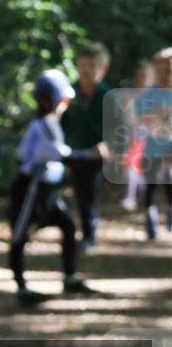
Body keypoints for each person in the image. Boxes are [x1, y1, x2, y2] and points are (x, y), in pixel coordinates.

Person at [9, 69, 106, 308]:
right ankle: (21, 288)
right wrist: (90, 153)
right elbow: (60, 155)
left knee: (68, 226)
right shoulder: (40, 127)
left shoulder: (52, 124)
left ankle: (70, 277)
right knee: (19, 237)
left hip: (48, 190)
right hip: (31, 189)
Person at [60, 43, 113, 249]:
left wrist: (107, 146)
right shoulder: (68, 93)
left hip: (96, 158)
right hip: (72, 154)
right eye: (82, 65)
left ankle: (89, 235)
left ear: (102, 68)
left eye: (91, 66)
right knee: (77, 192)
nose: (85, 70)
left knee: (88, 194)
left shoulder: (108, 96)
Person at [137, 47, 172, 240]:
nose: (165, 75)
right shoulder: (150, 94)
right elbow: (142, 116)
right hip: (151, 150)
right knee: (150, 185)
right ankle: (150, 218)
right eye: (160, 71)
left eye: (169, 70)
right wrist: (158, 114)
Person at [119, 60, 154, 212]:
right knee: (131, 167)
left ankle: (136, 192)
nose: (142, 80)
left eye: (145, 76)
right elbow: (127, 119)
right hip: (132, 139)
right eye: (140, 76)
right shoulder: (130, 96)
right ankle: (130, 196)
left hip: (150, 141)